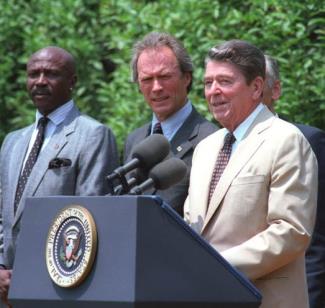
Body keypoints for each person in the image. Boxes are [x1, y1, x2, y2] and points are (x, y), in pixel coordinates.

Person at [184, 40, 318, 308]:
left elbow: (291, 231)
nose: (214, 91)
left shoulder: (286, 139)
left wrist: (218, 266)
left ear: (256, 87)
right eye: (208, 82)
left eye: (224, 81)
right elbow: (193, 226)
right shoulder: (205, 148)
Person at [0, 46, 118, 306]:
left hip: (59, 289)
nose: (40, 81)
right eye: (34, 74)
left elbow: (90, 223)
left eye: (51, 74)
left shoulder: (93, 135)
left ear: (72, 81)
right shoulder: (12, 141)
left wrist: (32, 276)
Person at [124, 32, 217, 215]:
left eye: (165, 76)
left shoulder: (211, 140)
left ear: (187, 78)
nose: (157, 87)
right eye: (147, 79)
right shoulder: (134, 140)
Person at [263, 54, 325, 308]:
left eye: (258, 84)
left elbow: (316, 240)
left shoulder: (308, 140)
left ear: (275, 89)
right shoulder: (217, 147)